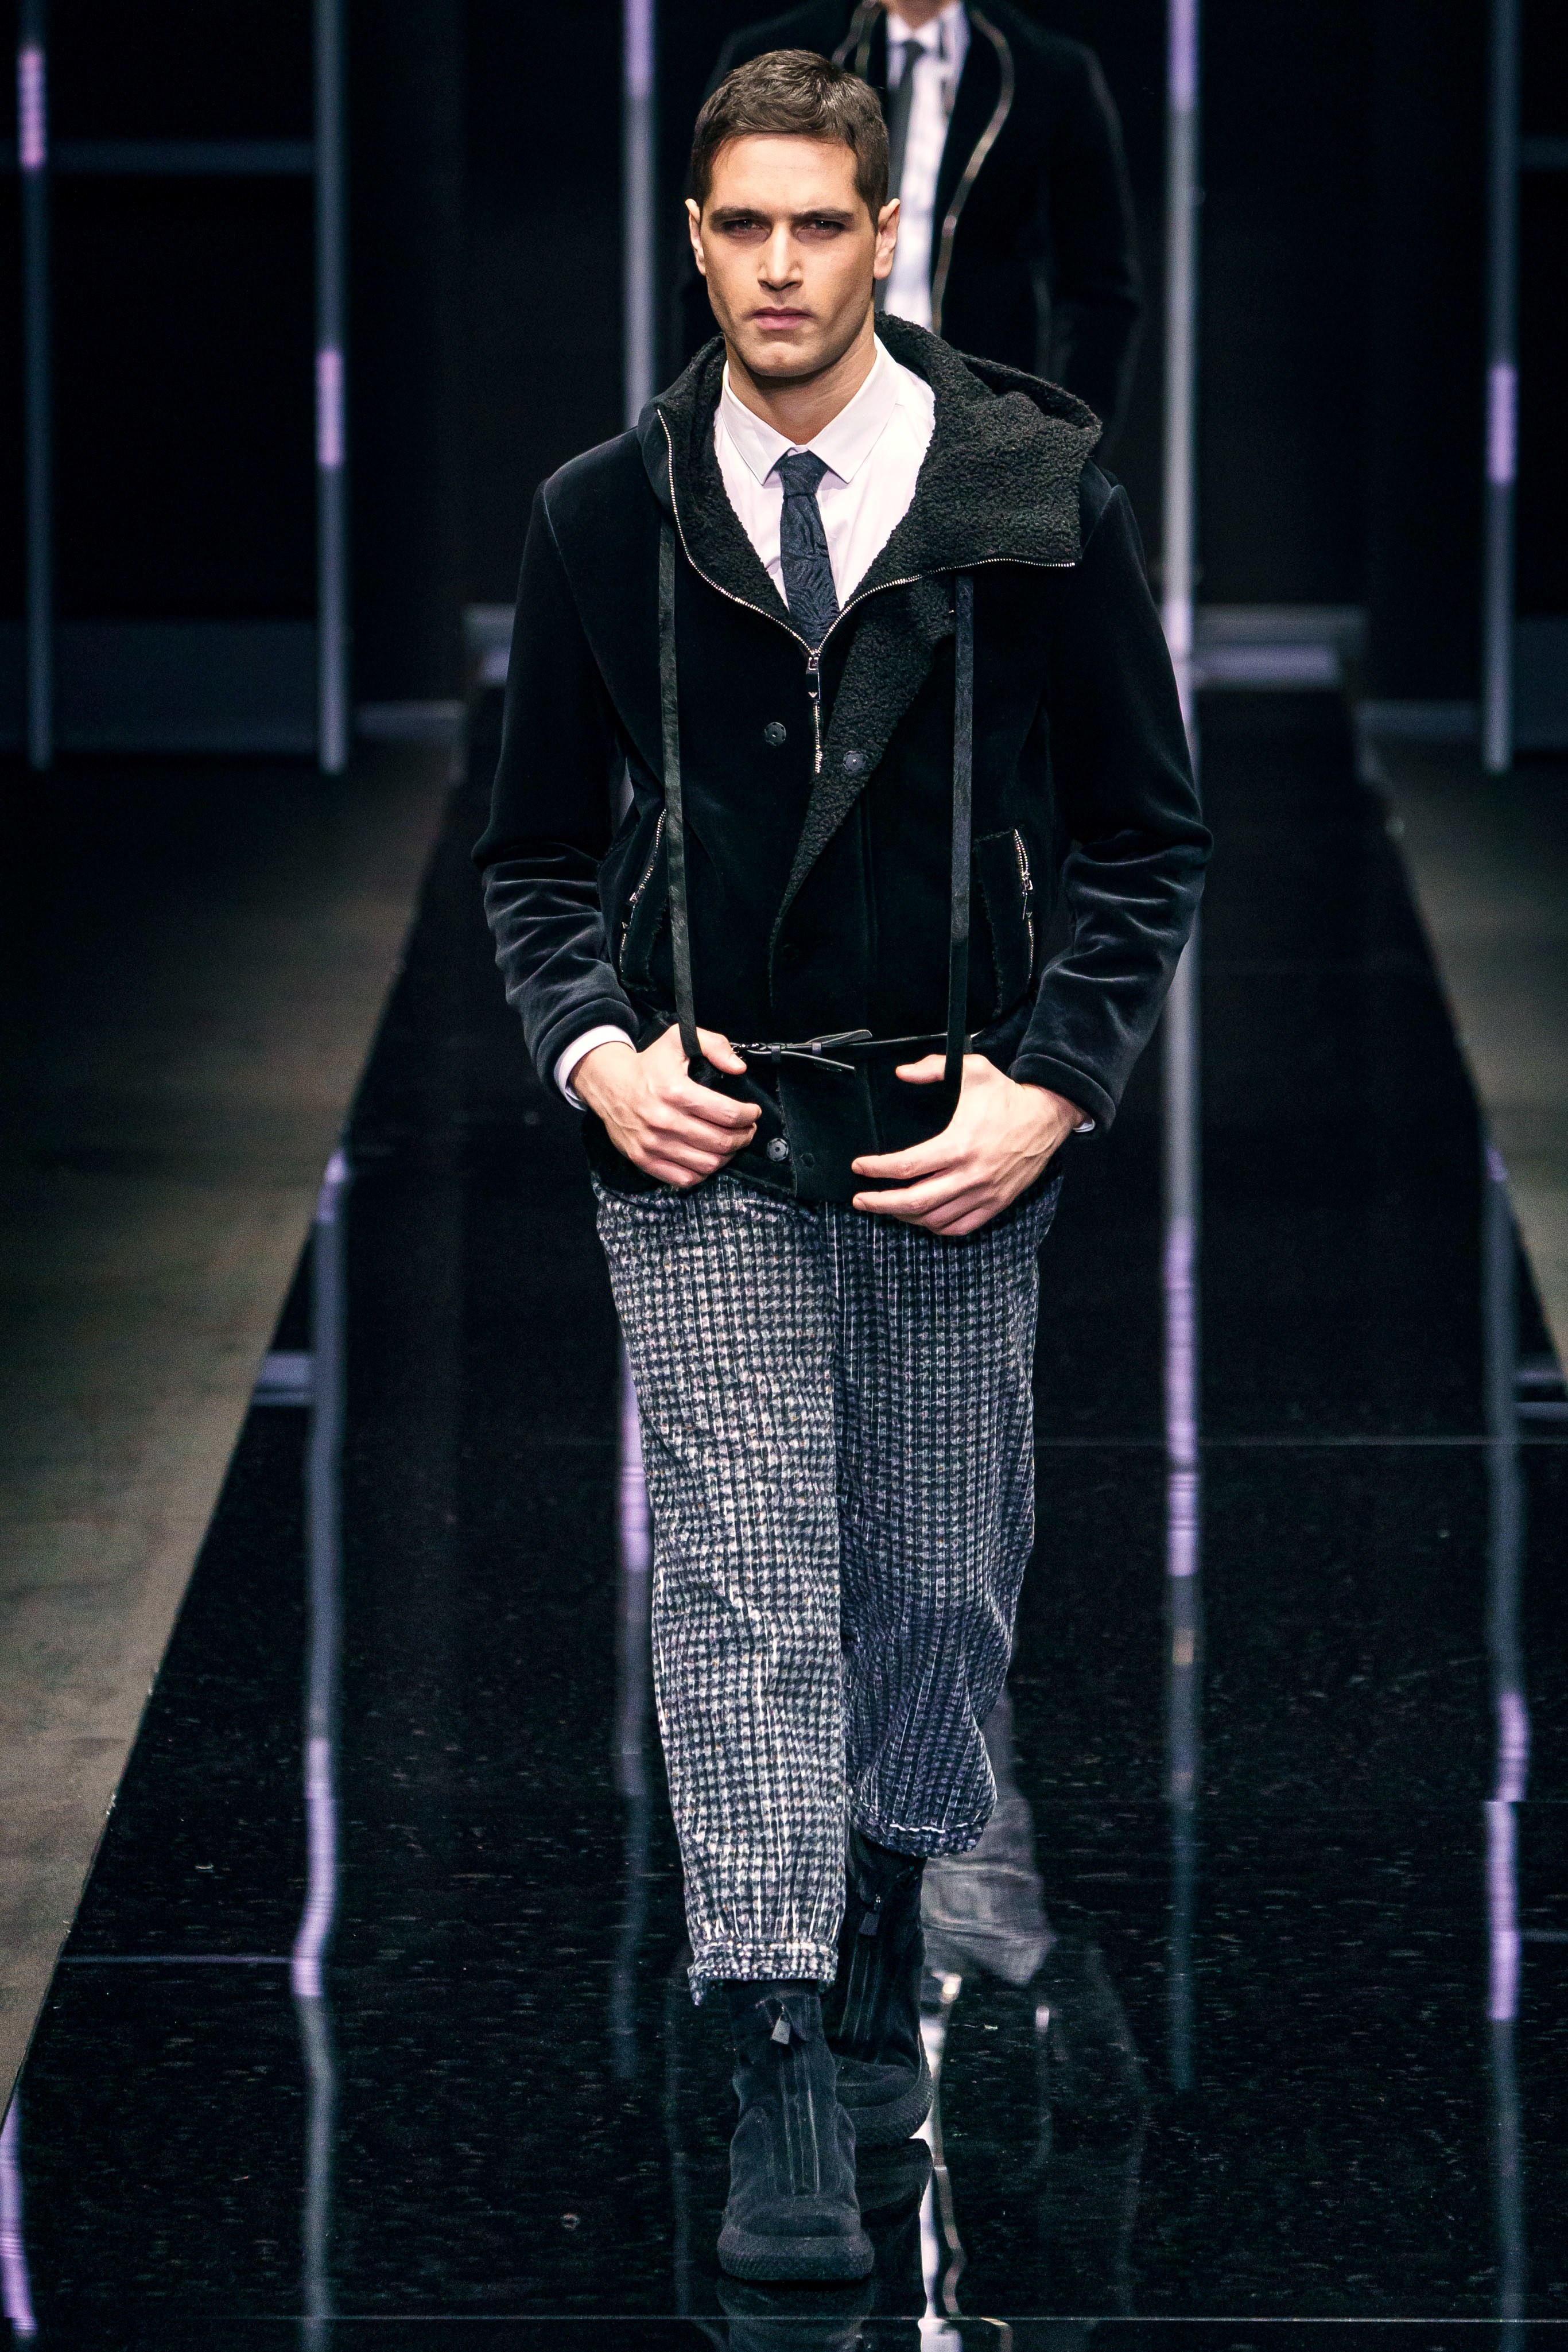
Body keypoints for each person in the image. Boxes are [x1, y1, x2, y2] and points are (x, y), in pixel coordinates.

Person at [476, 49, 1205, 2284]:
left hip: (950, 1123)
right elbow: (530, 857)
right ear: (692, 241)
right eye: (742, 226)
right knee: (744, 1575)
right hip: (699, 1121)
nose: (779, 266)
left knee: (938, 1577)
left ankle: (885, 1912)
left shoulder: (1031, 491)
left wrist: (1048, 1088)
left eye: (819, 224)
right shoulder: (601, 511)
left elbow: (1147, 838)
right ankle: (777, 2031)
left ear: (885, 236)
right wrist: (594, 1052)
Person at [680, 0, 1143, 443]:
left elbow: (1099, 290)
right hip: (795, 410)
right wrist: (703, 429)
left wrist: (1066, 447)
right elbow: (710, 265)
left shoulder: (1045, 71)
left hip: (983, 420)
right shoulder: (779, 54)